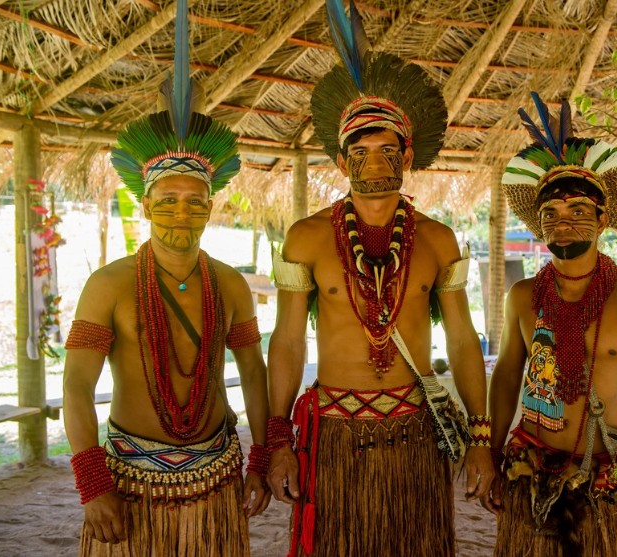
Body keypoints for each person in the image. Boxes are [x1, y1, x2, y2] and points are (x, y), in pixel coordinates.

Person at [264, 2, 493, 555]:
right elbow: (289, 341)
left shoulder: (437, 240)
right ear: (342, 162)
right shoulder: (306, 238)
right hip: (334, 435)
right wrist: (277, 438)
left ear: (407, 155)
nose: (373, 163)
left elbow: (463, 339)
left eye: (388, 150)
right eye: (360, 152)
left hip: (415, 434)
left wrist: (481, 435)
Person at [62, 1, 269, 555]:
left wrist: (262, 455)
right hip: (130, 479)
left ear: (210, 208)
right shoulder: (108, 285)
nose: (182, 211)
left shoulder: (230, 284)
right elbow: (77, 385)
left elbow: (253, 371)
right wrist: (92, 485)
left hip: (216, 474)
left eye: (194, 201)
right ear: (147, 204)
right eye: (168, 199)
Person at [482, 93, 617, 556]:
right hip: (530, 463)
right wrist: (491, 451)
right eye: (551, 214)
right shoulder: (522, 297)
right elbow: (508, 376)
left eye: (578, 211)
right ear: (538, 225)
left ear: (603, 218)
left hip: (611, 468)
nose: (564, 223)